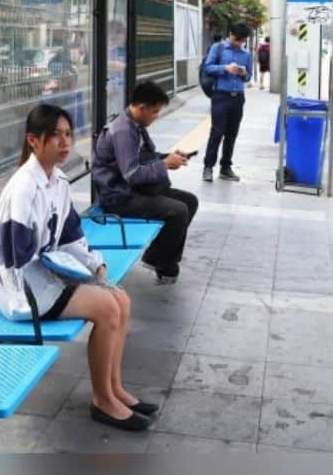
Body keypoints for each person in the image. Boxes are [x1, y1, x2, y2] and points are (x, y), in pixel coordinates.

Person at [0, 104, 156, 431]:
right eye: (55, 136)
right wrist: (58, 265)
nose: (65, 143)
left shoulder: (59, 182)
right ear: (33, 141)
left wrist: (95, 266)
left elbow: (69, 236)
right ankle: (102, 400)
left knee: (120, 298)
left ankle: (114, 387)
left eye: (68, 135)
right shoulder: (23, 188)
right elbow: (15, 260)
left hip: (46, 275)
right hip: (23, 289)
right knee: (107, 307)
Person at [92, 82, 199, 284]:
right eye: (155, 112)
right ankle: (163, 263)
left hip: (133, 190)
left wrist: (168, 156)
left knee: (190, 201)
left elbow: (145, 157)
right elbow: (132, 174)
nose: (156, 116)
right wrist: (165, 165)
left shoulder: (135, 125)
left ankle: (157, 257)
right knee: (178, 211)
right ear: (142, 108)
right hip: (119, 196)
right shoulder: (123, 131)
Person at [202, 22, 253, 182]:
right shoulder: (218, 48)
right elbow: (207, 68)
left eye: (242, 41)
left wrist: (244, 73)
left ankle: (225, 167)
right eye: (237, 39)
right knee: (217, 132)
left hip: (238, 97)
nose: (239, 43)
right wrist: (225, 68)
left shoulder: (246, 54)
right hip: (220, 96)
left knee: (232, 134)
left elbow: (249, 76)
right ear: (230, 34)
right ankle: (208, 167)